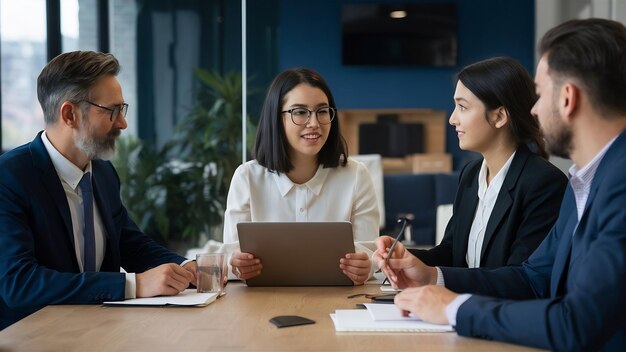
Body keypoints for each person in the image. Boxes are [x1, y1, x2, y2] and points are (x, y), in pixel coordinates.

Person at [374, 18, 626, 350]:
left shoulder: (616, 184)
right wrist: (433, 277)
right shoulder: (585, 181)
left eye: (539, 95)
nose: (533, 110)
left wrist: (453, 307)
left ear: (567, 98)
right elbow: (532, 278)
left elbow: (576, 323)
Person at [0, 51, 197, 330]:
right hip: (33, 337)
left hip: (101, 332)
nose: (123, 123)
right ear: (69, 114)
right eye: (111, 111)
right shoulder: (9, 177)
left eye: (122, 109)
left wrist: (188, 267)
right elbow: (19, 283)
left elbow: (130, 244)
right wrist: (134, 284)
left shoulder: (103, 173)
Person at [223, 68, 379, 285]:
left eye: (322, 111)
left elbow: (370, 251)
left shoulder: (356, 175)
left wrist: (366, 266)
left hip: (339, 302)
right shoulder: (246, 177)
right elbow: (231, 257)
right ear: (276, 118)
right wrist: (237, 265)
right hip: (260, 302)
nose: (314, 123)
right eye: (300, 112)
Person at [410, 57, 567, 268]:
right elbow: (451, 252)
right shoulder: (471, 174)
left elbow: (521, 279)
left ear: (500, 116)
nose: (453, 119)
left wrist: (435, 278)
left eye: (462, 107)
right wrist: (400, 257)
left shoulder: (544, 183)